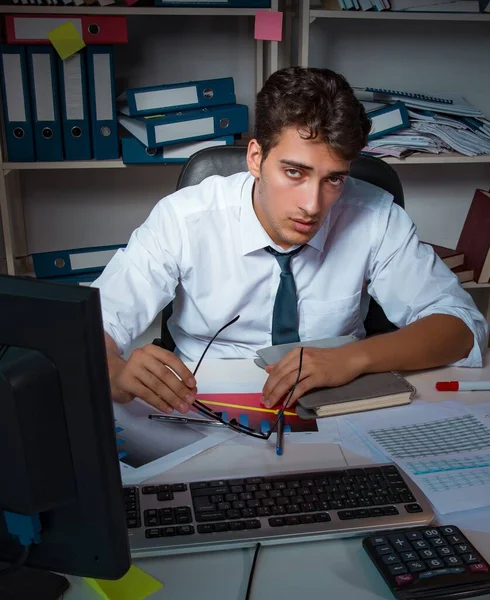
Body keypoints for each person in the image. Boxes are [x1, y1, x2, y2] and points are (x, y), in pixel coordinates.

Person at [95, 66, 488, 416]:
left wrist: (352, 358)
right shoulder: (184, 218)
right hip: (204, 399)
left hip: (342, 397)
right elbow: (93, 326)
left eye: (333, 178)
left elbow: (461, 327)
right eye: (294, 172)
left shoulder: (375, 216)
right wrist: (115, 375)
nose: (312, 205)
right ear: (255, 158)